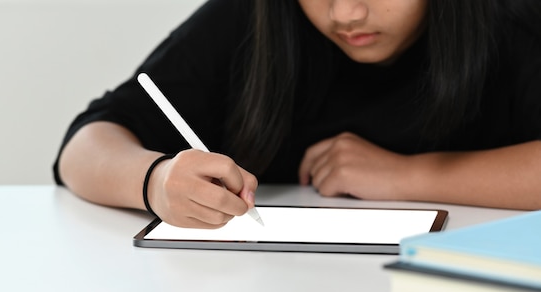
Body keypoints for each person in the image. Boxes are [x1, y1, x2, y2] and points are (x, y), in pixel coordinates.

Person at [54, 0, 541, 229]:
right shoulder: (253, 18)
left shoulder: (513, 20)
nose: (346, 13)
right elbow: (85, 145)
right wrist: (156, 181)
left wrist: (407, 177)